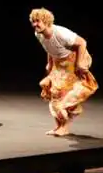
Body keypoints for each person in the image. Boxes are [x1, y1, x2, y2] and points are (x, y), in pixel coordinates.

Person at [30, 8, 98, 136]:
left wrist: (79, 64)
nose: (35, 24)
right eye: (33, 21)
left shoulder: (61, 33)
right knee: (53, 92)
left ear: (46, 21)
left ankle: (65, 127)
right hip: (59, 63)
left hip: (74, 59)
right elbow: (49, 48)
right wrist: (50, 63)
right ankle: (59, 127)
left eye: (37, 21)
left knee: (65, 94)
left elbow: (82, 43)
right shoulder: (38, 34)